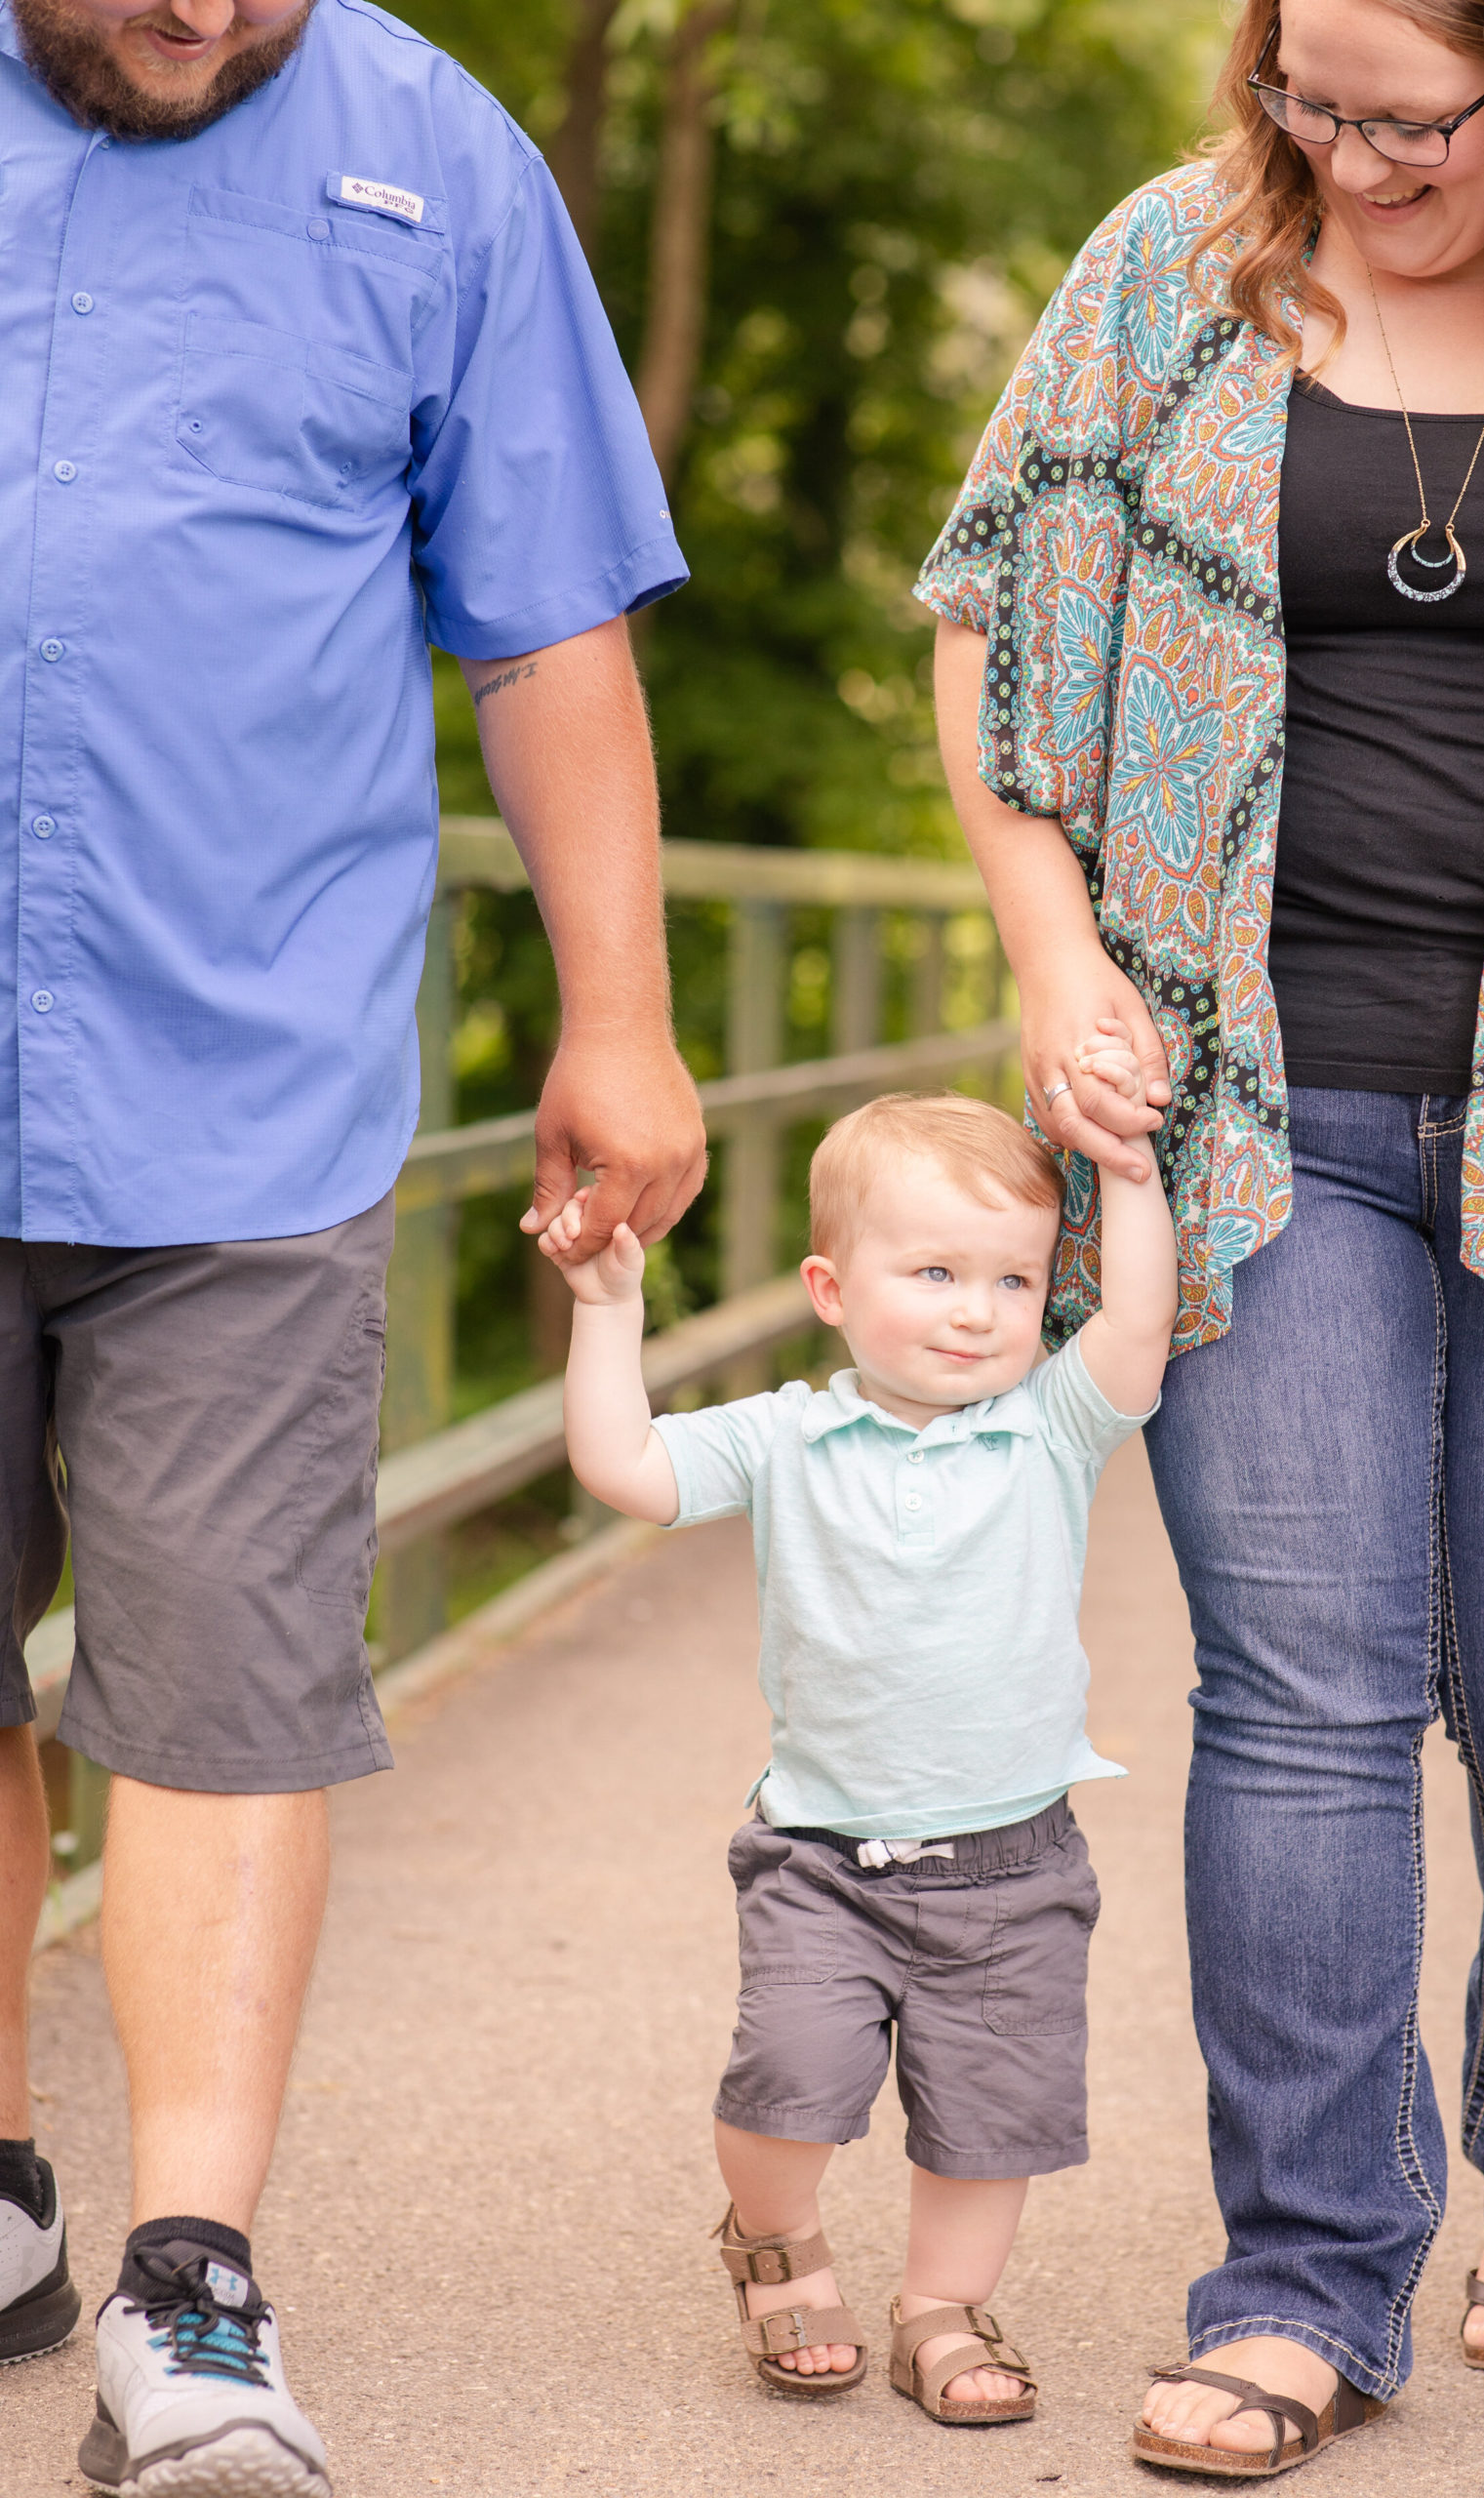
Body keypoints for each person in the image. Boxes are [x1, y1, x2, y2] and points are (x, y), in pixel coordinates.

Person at [917, 0, 1484, 2476]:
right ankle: (1305, 2273)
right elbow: (986, 610)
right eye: (1301, 100)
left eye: (1400, 112)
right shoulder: (1176, 268)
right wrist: (1048, 951)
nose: (1343, 154)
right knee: (1307, 1698)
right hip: (1249, 1106)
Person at [0, 0, 706, 2487]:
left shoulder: (434, 157)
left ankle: (186, 2292)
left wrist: (615, 1013)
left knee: (214, 1684)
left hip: (248, 1082)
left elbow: (538, 622)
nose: (202, 11)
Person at [539, 1084, 1176, 2425]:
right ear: (831, 1288)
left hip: (1013, 1862)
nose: (974, 1310)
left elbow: (1133, 1324)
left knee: (989, 2123)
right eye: (934, 1272)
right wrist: (609, 1317)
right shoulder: (788, 1436)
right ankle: (775, 2243)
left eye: (1010, 1279)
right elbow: (628, 1467)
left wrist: (1125, 1170)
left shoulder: (1049, 1429)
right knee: (790, 2081)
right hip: (826, 1853)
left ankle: (941, 2309)